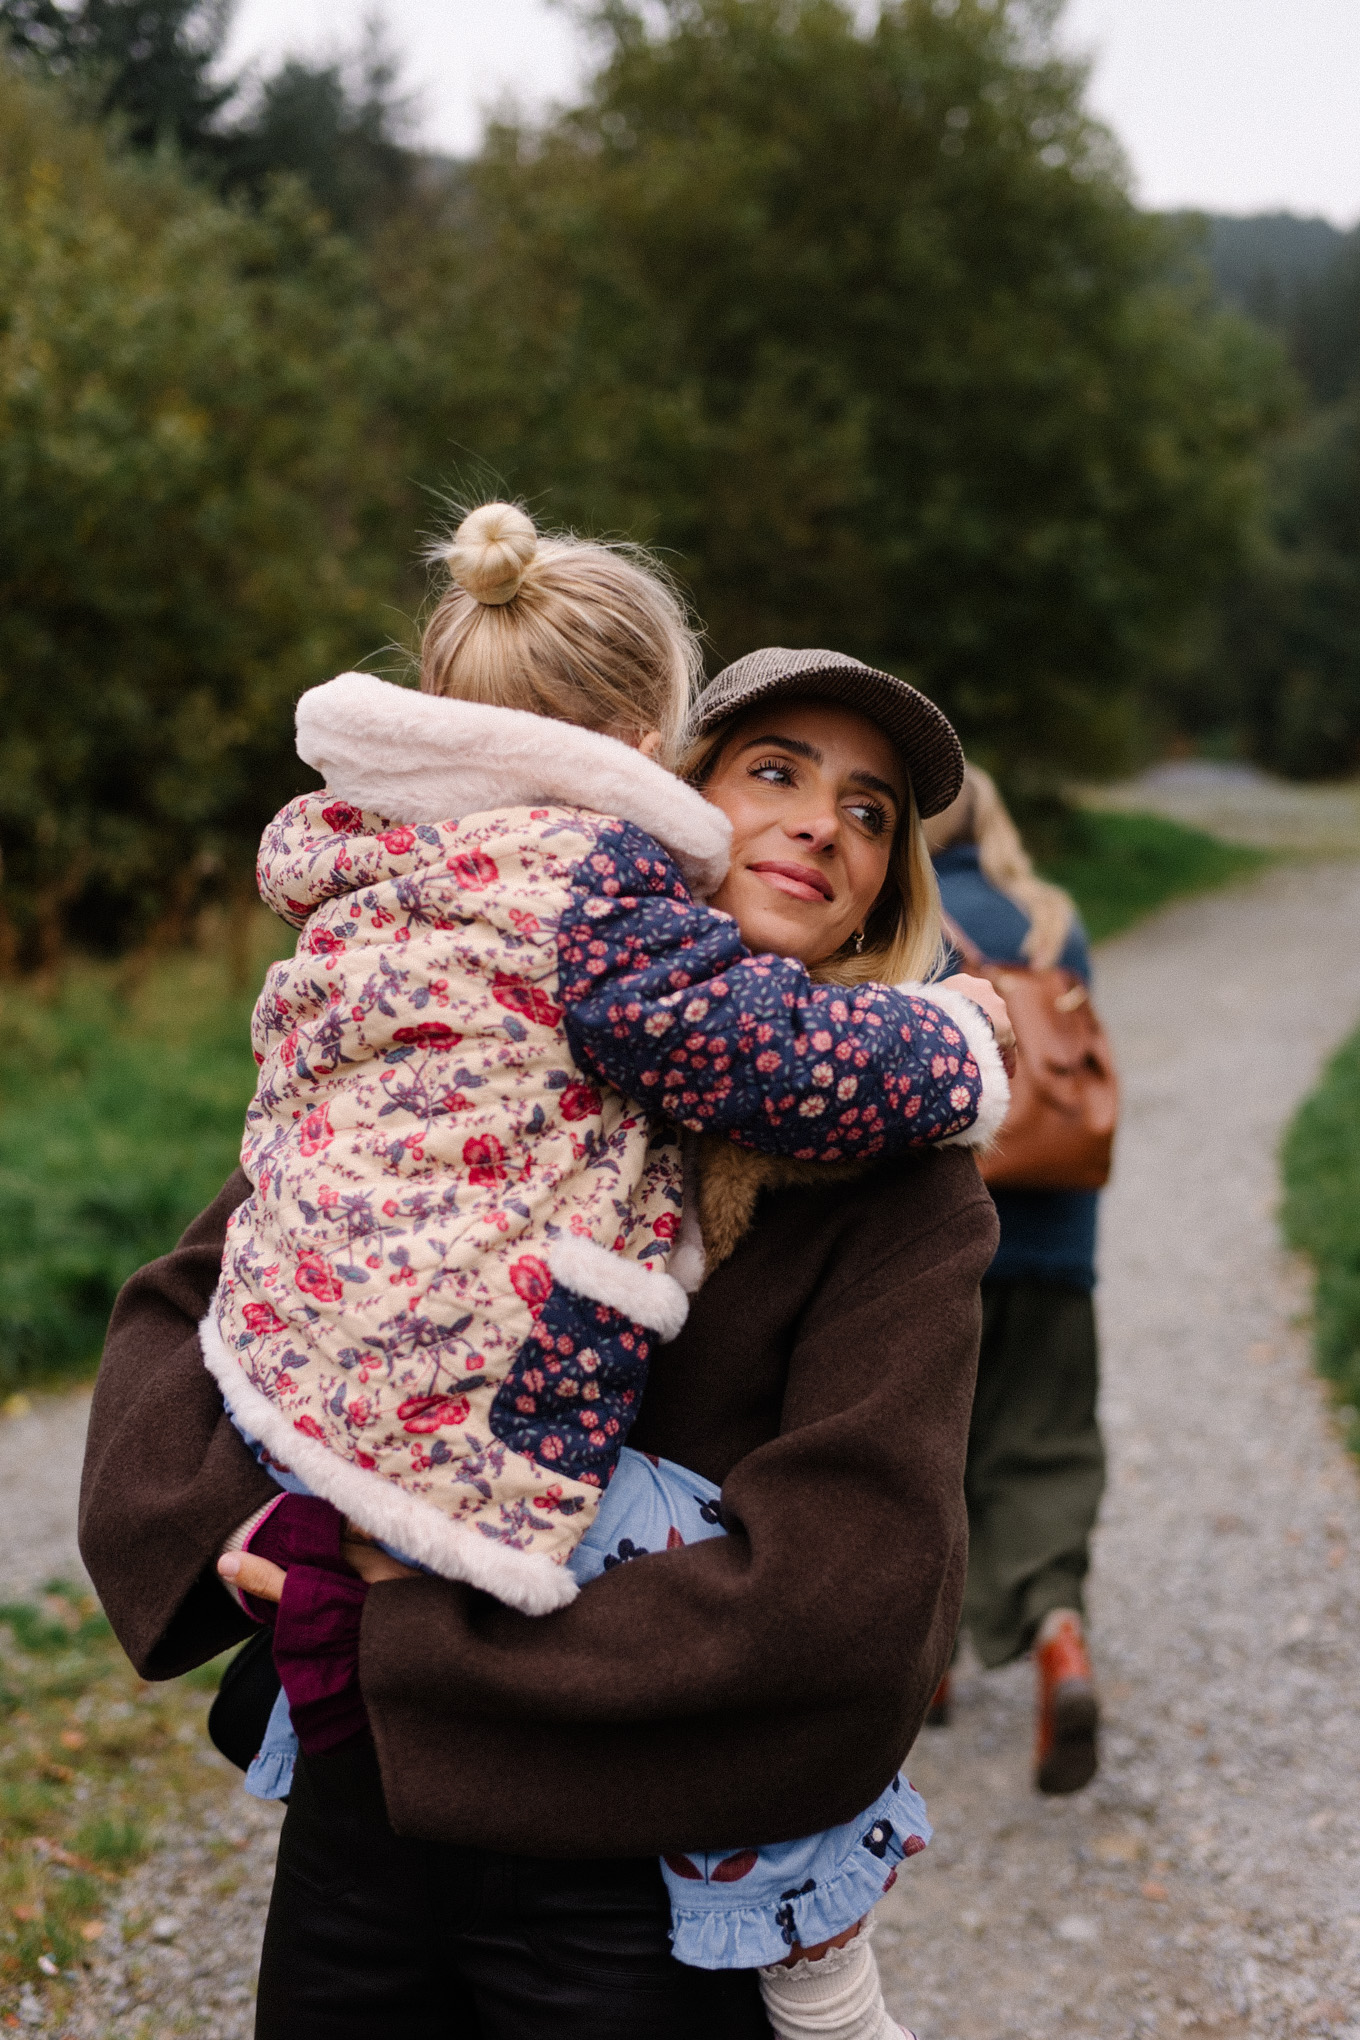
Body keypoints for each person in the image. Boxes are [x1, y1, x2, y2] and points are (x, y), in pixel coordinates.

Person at [80, 644, 1007, 2040]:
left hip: (637, 1885)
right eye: (774, 771)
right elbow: (198, 1306)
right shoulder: (462, 1027)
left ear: (887, 891)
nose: (826, 823)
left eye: (873, 813)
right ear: (656, 798)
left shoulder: (899, 1180)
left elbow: (852, 1602)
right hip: (361, 1827)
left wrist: (392, 1631)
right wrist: (253, 1517)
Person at [923, 764, 1104, 1795]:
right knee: (1045, 1446)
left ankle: (929, 1665)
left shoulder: (902, 912)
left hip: (946, 1234)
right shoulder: (1049, 920)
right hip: (1056, 1240)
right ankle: (1058, 1636)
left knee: (930, 1449)